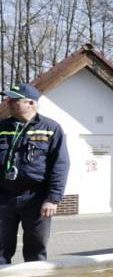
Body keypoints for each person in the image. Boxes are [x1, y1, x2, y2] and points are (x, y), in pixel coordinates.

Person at [0, 83, 70, 264]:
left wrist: (53, 198)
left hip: (36, 200)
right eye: (8, 98)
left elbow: (60, 165)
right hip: (3, 198)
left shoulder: (50, 128)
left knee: (35, 252)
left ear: (30, 103)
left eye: (14, 99)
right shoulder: (2, 127)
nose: (8, 102)